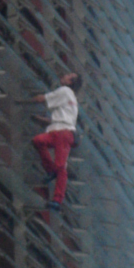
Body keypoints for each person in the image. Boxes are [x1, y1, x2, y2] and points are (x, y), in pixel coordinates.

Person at [31, 72, 81, 209]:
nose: (63, 76)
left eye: (67, 75)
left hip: (63, 133)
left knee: (61, 166)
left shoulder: (65, 91)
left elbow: (43, 99)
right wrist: (42, 120)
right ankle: (50, 170)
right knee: (38, 141)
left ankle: (57, 200)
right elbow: (60, 117)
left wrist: (31, 100)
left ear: (70, 82)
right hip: (58, 131)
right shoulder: (72, 99)